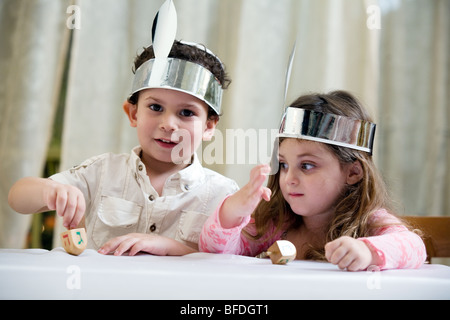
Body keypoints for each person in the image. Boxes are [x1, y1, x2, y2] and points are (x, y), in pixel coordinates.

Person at [8, 1, 238, 256]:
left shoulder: (224, 196)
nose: (168, 124)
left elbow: (230, 263)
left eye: (186, 113)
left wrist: (172, 249)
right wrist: (52, 191)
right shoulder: (102, 173)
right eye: (156, 107)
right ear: (132, 113)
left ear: (208, 127)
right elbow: (18, 198)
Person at [199, 91, 426, 271]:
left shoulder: (370, 222)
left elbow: (415, 247)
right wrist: (232, 211)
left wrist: (367, 251)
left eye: (307, 166)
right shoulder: (278, 223)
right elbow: (216, 252)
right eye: (284, 165)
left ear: (353, 173)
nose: (289, 179)